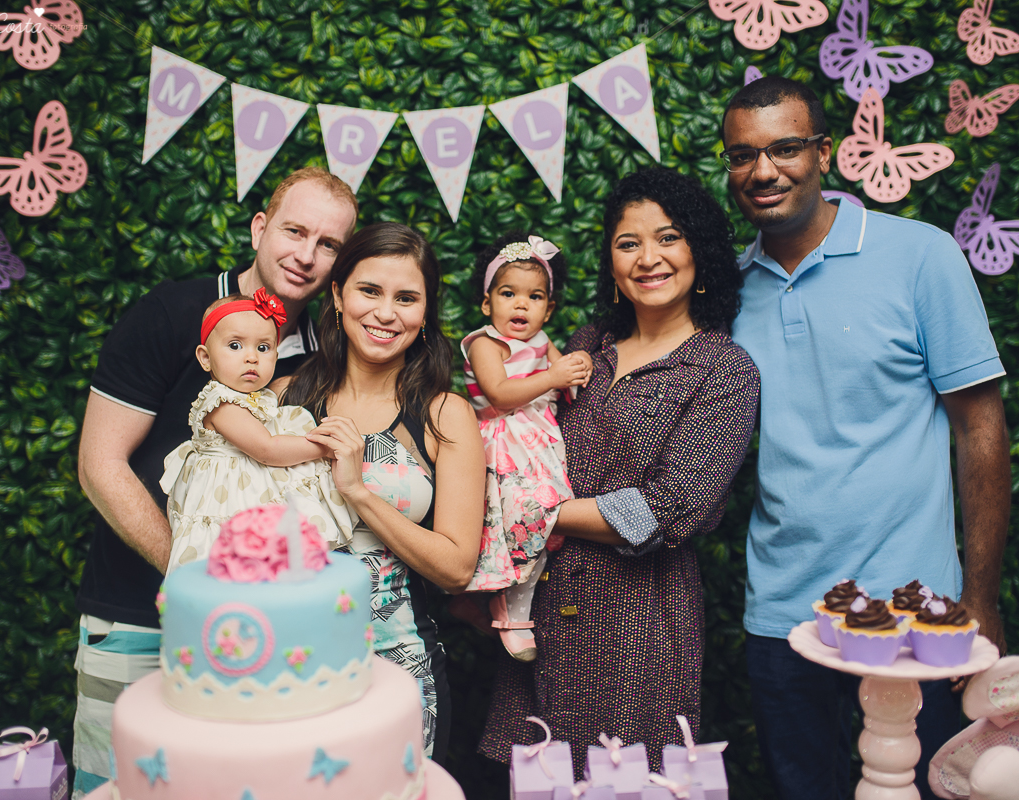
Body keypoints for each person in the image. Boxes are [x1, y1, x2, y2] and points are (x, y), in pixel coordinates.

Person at [721, 76, 1011, 800]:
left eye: (785, 148)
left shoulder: (920, 255)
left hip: (919, 615)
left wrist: (981, 596)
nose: (763, 171)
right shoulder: (725, 290)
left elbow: (980, 427)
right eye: (742, 155)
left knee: (937, 787)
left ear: (825, 153)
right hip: (784, 614)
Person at [73, 167, 358, 798]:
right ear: (260, 227)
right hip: (138, 618)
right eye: (294, 230)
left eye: (330, 244)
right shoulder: (174, 314)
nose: (307, 255)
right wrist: (196, 581)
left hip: (274, 639)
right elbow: (100, 465)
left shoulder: (337, 348)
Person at [479, 168, 760, 776]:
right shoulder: (584, 347)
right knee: (536, 783)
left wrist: (534, 510)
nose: (647, 258)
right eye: (628, 243)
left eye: (668, 238)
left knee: (625, 783)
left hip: (638, 624)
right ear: (610, 260)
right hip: (537, 610)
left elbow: (669, 508)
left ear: (700, 252)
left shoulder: (721, 370)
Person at [278, 222, 486, 762]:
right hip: (287, 657)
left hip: (400, 665)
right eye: (370, 290)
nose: (386, 312)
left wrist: (360, 492)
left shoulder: (446, 415)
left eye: (407, 298)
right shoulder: (283, 401)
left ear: (424, 315)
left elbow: (457, 566)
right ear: (338, 295)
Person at [457, 231, 591, 662]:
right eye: (508, 293)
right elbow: (499, 393)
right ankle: (508, 611)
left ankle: (502, 602)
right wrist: (554, 378)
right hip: (500, 443)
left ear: (548, 308)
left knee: (542, 524)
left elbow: (564, 373)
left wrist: (578, 366)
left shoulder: (540, 341)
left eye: (534, 297)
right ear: (486, 302)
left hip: (539, 442)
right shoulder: (484, 343)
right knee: (511, 521)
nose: (520, 304)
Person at [158, 289, 356, 572]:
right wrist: (324, 446)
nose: (251, 357)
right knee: (238, 563)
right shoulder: (220, 403)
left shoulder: (260, 398)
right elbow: (267, 449)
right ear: (205, 357)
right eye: (235, 346)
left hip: (252, 492)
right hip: (228, 501)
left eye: (263, 348)